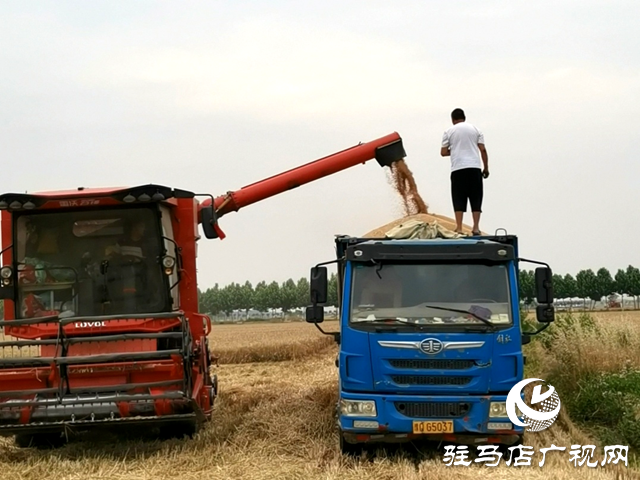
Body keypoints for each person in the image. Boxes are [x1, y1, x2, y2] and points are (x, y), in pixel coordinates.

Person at [440, 108, 489, 235]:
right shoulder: (476, 130)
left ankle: (459, 227)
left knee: (458, 197)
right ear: (464, 117)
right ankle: (476, 227)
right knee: (476, 197)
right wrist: (486, 168)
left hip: (458, 168)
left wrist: (455, 150)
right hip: (474, 167)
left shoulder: (449, 131)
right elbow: (483, 150)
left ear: (452, 119)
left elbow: (443, 152)